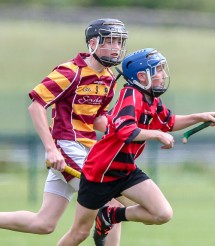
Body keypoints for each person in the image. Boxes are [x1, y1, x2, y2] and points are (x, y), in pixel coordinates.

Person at [57, 48, 215, 245]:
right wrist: (157, 134)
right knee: (79, 233)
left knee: (162, 213)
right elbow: (125, 131)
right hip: (100, 173)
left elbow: (168, 122)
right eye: (158, 70)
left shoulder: (151, 98)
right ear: (142, 76)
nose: (163, 74)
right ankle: (106, 216)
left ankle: (109, 216)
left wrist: (199, 117)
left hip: (125, 171)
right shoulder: (131, 95)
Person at [0, 18, 129, 246]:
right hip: (66, 146)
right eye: (109, 41)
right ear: (92, 43)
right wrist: (51, 150)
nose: (116, 47)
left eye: (119, 42)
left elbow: (97, 119)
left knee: (43, 224)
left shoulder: (109, 78)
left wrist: (128, 129)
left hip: (86, 149)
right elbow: (36, 106)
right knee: (112, 205)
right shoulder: (70, 72)